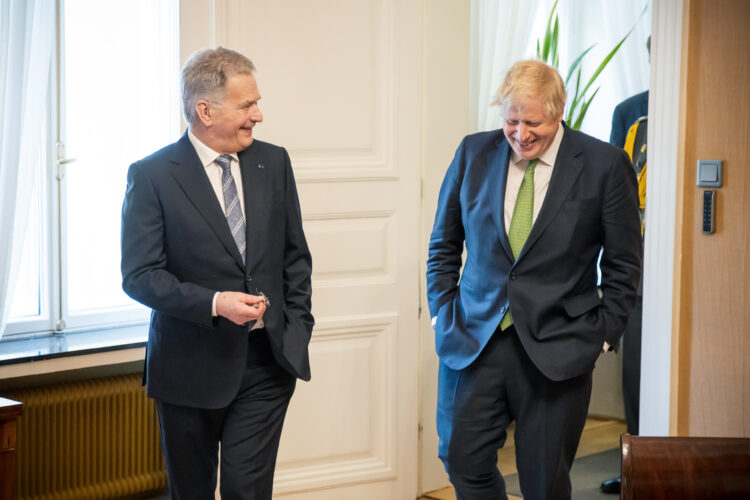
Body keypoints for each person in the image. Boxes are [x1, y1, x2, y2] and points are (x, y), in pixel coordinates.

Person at [426, 59, 642, 500]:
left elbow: (624, 267)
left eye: (533, 123)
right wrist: (441, 315)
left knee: (544, 481)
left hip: (559, 347)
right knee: (460, 460)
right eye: (512, 121)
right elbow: (442, 247)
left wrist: (600, 336)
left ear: (559, 111)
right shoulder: (472, 153)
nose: (521, 134)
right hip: (473, 341)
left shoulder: (604, 164)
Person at [121, 47, 313, 500]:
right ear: (204, 110)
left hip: (267, 364)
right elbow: (140, 275)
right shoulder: (152, 176)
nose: (259, 115)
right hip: (187, 368)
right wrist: (214, 304)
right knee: (192, 492)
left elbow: (295, 257)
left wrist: (297, 327)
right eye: (247, 105)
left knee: (248, 491)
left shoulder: (274, 162)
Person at [600, 36, 650, 496]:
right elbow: (613, 191)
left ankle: (665, 464)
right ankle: (633, 464)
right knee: (633, 369)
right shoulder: (630, 110)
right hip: (633, 256)